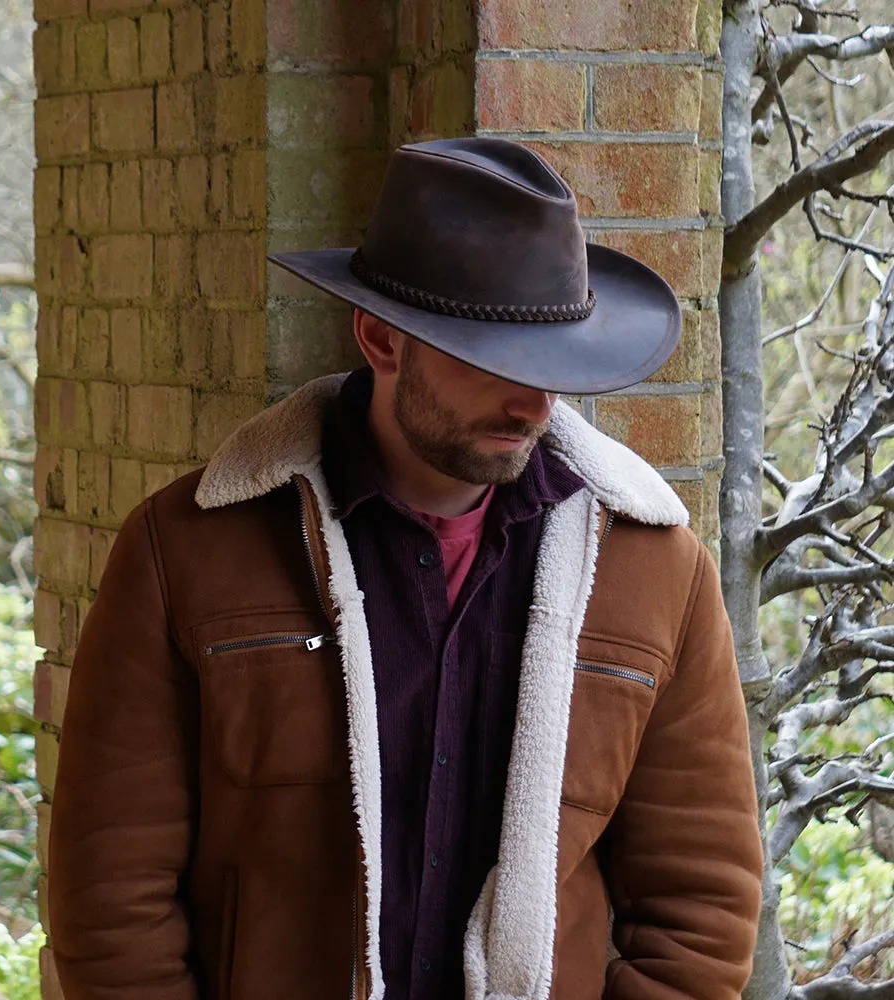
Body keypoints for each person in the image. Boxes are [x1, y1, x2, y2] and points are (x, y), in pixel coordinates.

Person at [48, 138, 762, 1000]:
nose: (534, 403)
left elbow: (701, 903)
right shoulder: (190, 548)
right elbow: (112, 894)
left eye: (555, 365)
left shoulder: (653, 568)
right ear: (382, 338)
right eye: (496, 360)